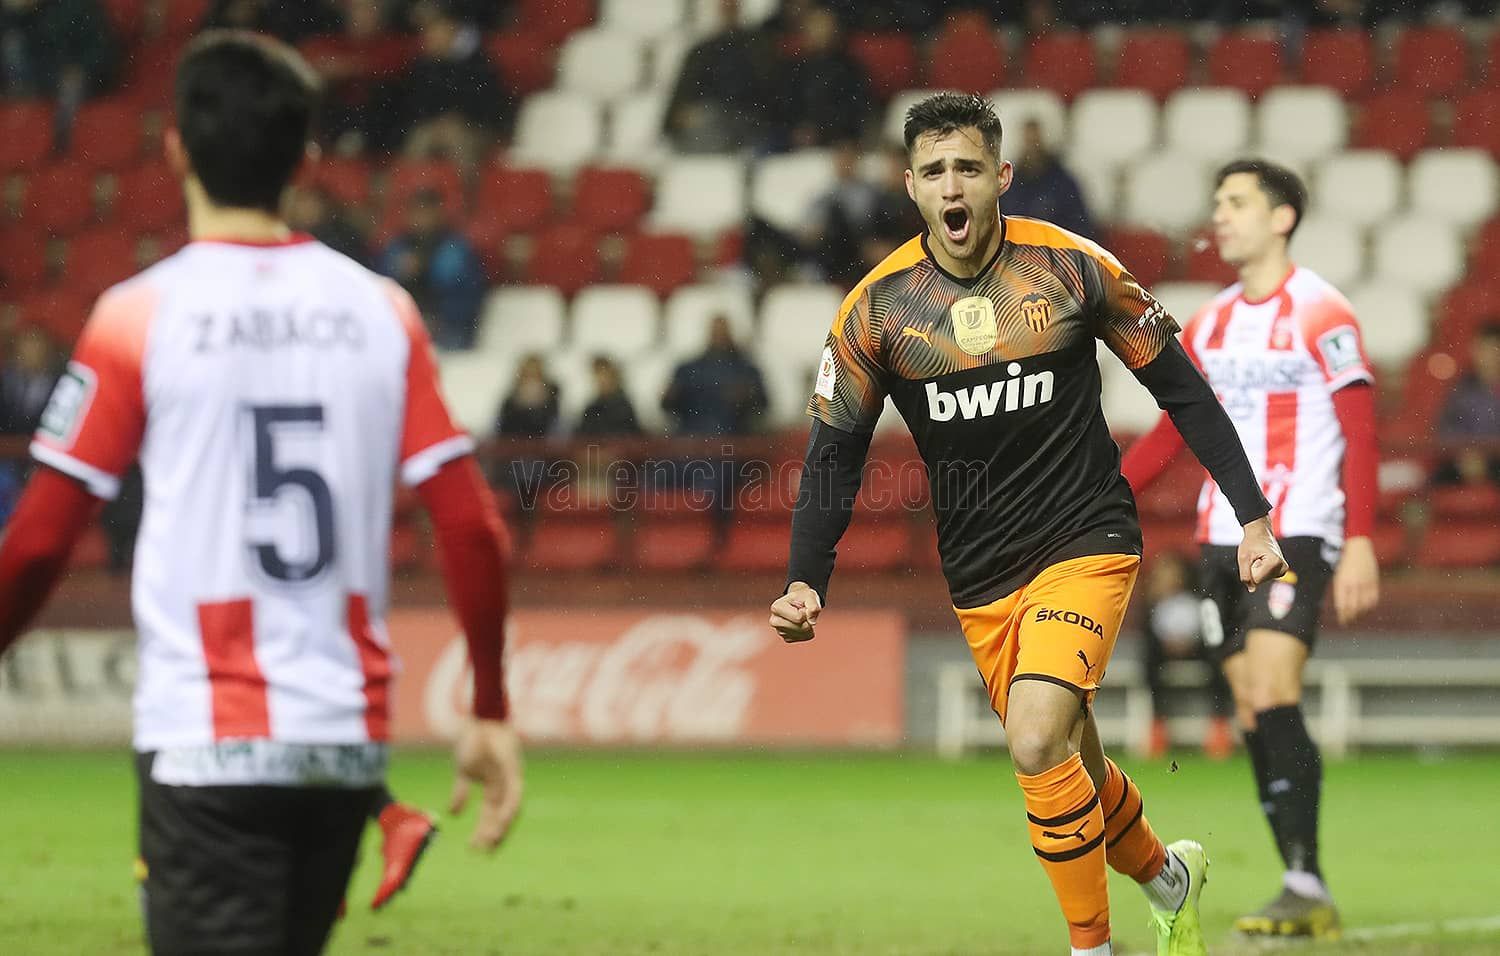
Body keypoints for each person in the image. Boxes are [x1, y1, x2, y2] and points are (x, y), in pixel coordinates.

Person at [0, 33, 522, 953]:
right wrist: (487, 704)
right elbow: (471, 526)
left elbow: (42, 543)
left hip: (208, 741)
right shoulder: (382, 311)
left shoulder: (138, 316)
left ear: (175, 150)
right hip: (340, 753)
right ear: (305, 158)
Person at [770, 92, 1288, 956]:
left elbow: (1182, 387)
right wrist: (803, 579)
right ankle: (1169, 878)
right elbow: (834, 453)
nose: (952, 185)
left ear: (1001, 176)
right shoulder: (878, 310)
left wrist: (1253, 514)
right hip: (981, 575)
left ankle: (1092, 948)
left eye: (968, 167)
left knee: (1035, 736)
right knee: (1070, 760)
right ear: (911, 188)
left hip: (1086, 538)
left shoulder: (1073, 269)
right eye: (934, 172)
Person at [1122, 158, 1380, 940]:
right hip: (1218, 537)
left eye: (1237, 201)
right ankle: (1303, 885)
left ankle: (1304, 879)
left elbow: (1361, 429)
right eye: (1217, 201)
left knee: (1271, 686)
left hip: (1297, 524)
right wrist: (1103, 493)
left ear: (1282, 217)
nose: (1221, 214)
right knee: (1247, 706)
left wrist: (1362, 538)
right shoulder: (1208, 321)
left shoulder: (1321, 311)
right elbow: (1176, 429)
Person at [1138, 550, 1234, 759]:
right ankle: (1157, 724)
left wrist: (1190, 642)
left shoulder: (1198, 598)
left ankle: (1219, 725)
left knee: (1218, 655)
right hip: (1164, 652)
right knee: (1149, 657)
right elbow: (1149, 631)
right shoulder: (1153, 603)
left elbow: (1208, 628)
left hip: (1196, 649)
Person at [378, 187, 486, 350]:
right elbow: (380, 290)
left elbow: (472, 294)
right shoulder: (396, 246)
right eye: (416, 211)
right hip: (403, 325)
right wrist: (401, 274)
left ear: (439, 213)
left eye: (426, 211)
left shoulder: (457, 247)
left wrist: (440, 318)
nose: (421, 218)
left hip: (449, 327)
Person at [1003, 117, 1096, 240]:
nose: (1032, 149)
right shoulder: (1008, 184)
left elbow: (1080, 229)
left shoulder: (1064, 183)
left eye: (1035, 141)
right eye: (1028, 142)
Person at [1432, 322, 1500, 486]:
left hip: (1495, 459)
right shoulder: (1462, 389)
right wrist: (1464, 454)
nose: (1487, 355)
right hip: (1464, 461)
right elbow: (1446, 428)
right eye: (1481, 348)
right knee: (1433, 483)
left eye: (1492, 349)